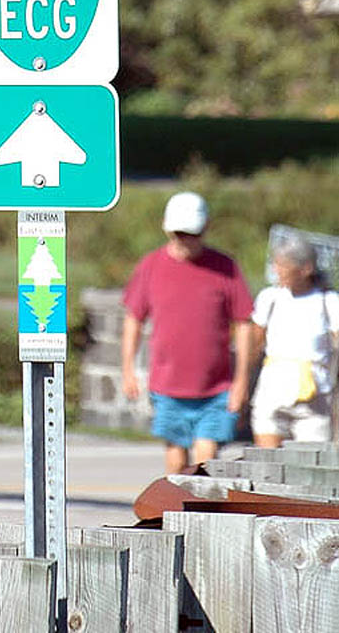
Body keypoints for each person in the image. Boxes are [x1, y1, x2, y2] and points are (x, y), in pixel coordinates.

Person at [121, 191, 253, 473]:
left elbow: (243, 323)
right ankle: (177, 512)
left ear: (205, 229)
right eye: (179, 234)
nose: (185, 241)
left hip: (215, 387)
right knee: (177, 461)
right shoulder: (151, 266)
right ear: (167, 230)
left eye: (192, 234)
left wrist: (241, 381)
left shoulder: (225, 268)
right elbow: (134, 318)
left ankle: (200, 512)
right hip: (168, 386)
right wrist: (128, 369)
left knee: (205, 460)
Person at [250, 236, 339, 446]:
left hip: (314, 396)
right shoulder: (269, 298)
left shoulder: (329, 301)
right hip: (272, 392)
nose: (276, 270)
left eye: (282, 265)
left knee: (310, 468)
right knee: (267, 464)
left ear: (305, 269)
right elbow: (255, 344)